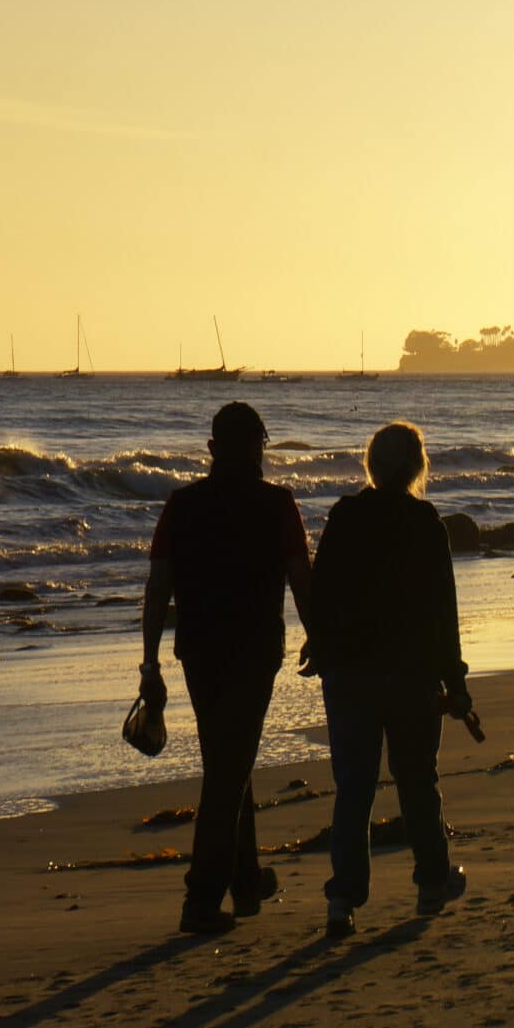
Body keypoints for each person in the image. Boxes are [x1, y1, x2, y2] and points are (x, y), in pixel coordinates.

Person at [140, 401, 313, 935]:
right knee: (227, 769)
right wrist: (321, 636)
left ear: (213, 449)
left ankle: (247, 883)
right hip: (256, 650)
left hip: (199, 651)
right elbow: (300, 577)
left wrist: (149, 660)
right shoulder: (277, 505)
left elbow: (158, 587)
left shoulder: (182, 505)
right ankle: (200, 901)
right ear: (256, 448)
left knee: (228, 761)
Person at [304, 420, 474, 938]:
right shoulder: (425, 523)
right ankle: (431, 881)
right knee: (417, 778)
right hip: (412, 671)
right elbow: (444, 610)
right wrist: (456, 681)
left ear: (372, 465)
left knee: (352, 787)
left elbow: (322, 590)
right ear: (415, 466)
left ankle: (344, 900)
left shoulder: (345, 515)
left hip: (350, 671)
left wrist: (320, 646)